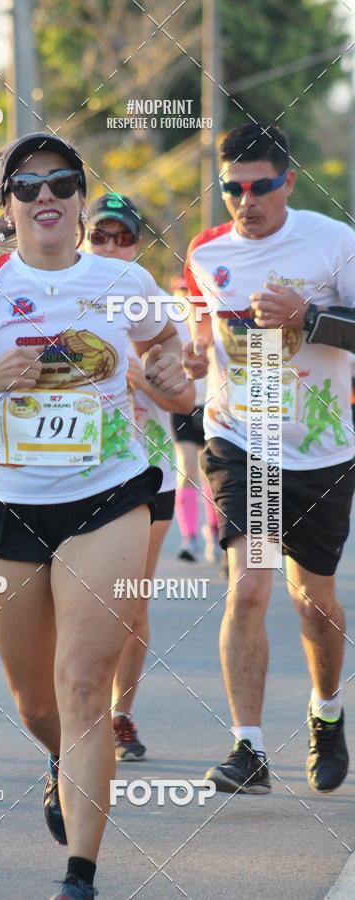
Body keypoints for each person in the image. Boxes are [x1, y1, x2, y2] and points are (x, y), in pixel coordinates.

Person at [0, 134, 188, 900]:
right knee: (37, 703)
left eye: (61, 181)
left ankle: (79, 877)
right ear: (8, 206)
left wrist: (168, 375)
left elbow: (178, 383)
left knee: (86, 684)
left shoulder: (127, 282)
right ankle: (62, 760)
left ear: (82, 199)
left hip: (110, 493)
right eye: (27, 186)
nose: (45, 195)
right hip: (7, 504)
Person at [183, 123, 355, 794]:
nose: (245, 200)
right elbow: (197, 328)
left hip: (321, 447)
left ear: (287, 179)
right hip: (240, 441)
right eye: (231, 188)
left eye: (258, 186)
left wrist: (307, 317)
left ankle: (327, 710)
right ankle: (247, 749)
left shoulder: (333, 242)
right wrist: (189, 354)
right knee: (249, 583)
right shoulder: (206, 254)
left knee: (312, 598)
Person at [85, 193, 195, 760]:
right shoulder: (65, 299)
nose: (110, 246)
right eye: (99, 235)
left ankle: (119, 714)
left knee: (130, 603)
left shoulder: (155, 307)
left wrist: (139, 376)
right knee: (75, 605)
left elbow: (185, 398)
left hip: (149, 473)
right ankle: (76, 715)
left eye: (121, 237)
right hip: (81, 475)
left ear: (137, 244)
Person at [168, 275, 221, 565]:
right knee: (186, 470)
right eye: (181, 293)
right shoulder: (169, 327)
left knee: (209, 474)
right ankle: (190, 540)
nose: (186, 299)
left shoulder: (213, 323)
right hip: (184, 406)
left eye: (190, 293)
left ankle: (213, 533)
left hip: (213, 405)